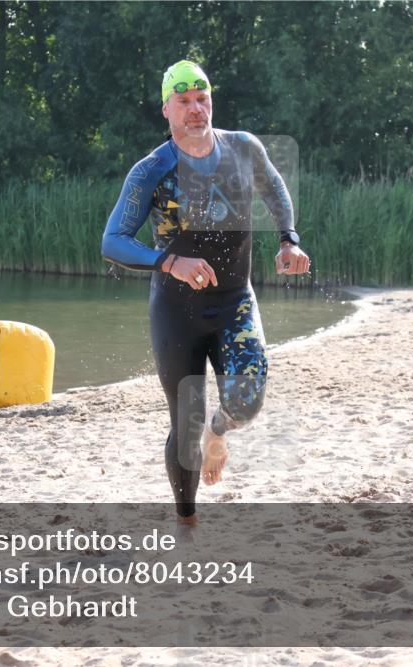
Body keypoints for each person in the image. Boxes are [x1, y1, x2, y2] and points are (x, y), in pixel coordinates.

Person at [101, 60, 310, 528]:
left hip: (235, 301)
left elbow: (274, 187)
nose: (196, 109)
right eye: (184, 101)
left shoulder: (243, 147)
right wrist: (170, 261)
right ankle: (187, 524)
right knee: (185, 425)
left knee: (248, 399)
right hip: (177, 312)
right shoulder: (151, 170)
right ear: (166, 109)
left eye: (202, 98)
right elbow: (112, 241)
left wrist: (288, 239)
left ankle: (219, 433)